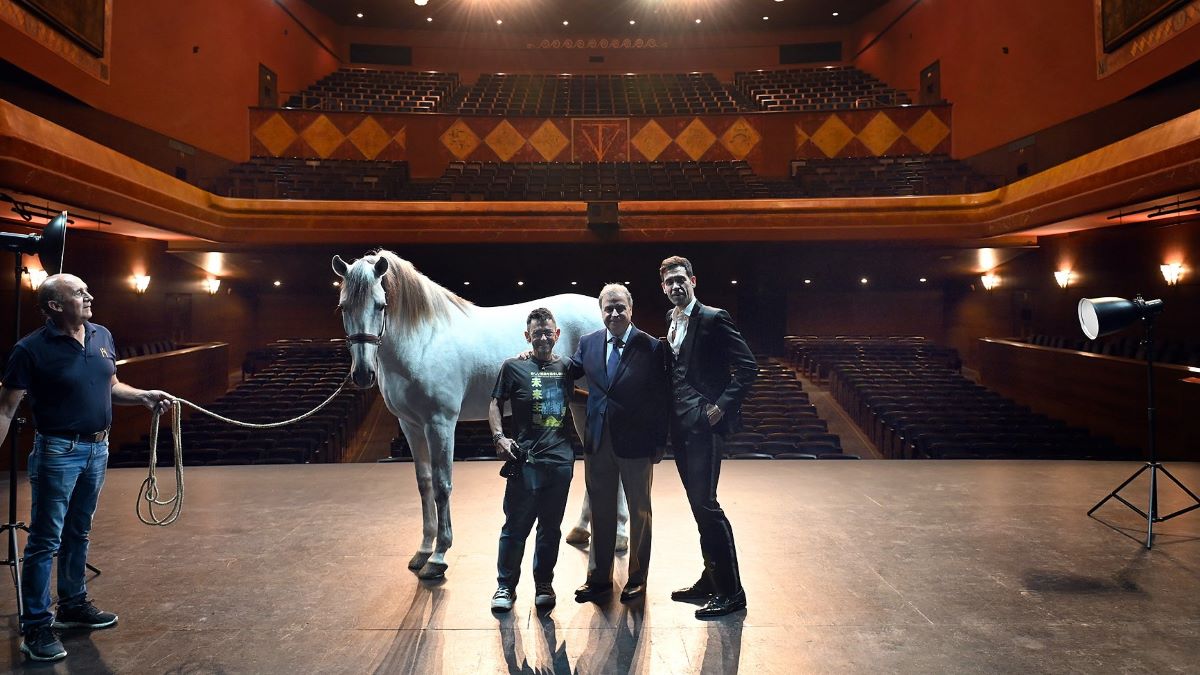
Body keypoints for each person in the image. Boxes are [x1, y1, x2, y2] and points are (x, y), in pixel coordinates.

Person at [0, 274, 173, 662]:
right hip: (58, 451)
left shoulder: (101, 335)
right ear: (55, 306)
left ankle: (73, 606)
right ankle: (36, 628)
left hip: (98, 448)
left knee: (79, 531)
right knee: (46, 540)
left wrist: (142, 396)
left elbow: (109, 384)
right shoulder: (29, 350)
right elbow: (6, 409)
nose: (90, 295)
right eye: (79, 293)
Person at [659, 256, 757, 619]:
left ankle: (732, 592)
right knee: (699, 506)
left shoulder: (715, 318)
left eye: (680, 279)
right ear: (663, 287)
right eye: (669, 282)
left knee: (708, 506)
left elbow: (748, 367)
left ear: (693, 280)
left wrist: (721, 406)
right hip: (681, 428)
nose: (675, 287)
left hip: (705, 425)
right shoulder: (670, 321)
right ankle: (711, 578)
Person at [568, 284, 669, 605]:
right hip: (597, 440)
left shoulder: (651, 347)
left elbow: (661, 399)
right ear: (601, 311)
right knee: (600, 510)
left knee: (639, 512)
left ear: (631, 308)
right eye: (608, 308)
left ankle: (637, 579)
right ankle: (598, 578)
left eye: (619, 307)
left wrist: (659, 443)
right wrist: (536, 358)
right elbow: (565, 374)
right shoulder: (588, 343)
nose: (614, 313)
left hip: (638, 442)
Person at [487, 308, 577, 613]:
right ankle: (505, 586)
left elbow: (583, 388)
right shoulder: (513, 366)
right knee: (515, 527)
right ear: (528, 336)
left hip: (561, 462)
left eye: (547, 332)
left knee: (551, 529)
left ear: (557, 335)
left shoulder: (566, 367)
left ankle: (543, 584)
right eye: (536, 333)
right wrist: (499, 437)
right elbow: (495, 403)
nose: (542, 337)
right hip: (524, 462)